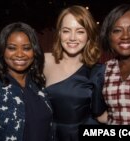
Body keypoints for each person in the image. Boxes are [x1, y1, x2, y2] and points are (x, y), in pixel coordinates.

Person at [43, 5, 106, 141]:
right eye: (66, 31)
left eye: (80, 31)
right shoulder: (44, 61)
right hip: (50, 134)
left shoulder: (97, 71)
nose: (72, 37)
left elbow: (101, 116)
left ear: (88, 35)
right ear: (59, 33)